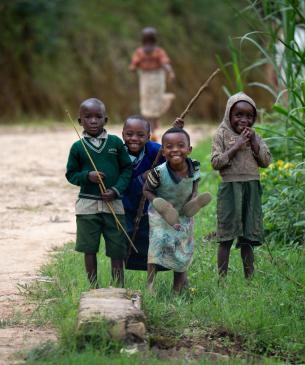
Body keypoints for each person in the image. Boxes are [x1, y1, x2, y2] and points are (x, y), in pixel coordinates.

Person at [66, 98, 132, 288]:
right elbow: (71, 174)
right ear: (80, 122)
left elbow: (127, 168)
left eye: (98, 117)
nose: (93, 121)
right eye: (88, 117)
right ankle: (93, 288)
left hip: (114, 204)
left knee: (117, 248)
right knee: (89, 248)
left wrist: (116, 189)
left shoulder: (115, 143)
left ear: (105, 119)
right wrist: (88, 176)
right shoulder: (78, 147)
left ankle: (118, 287)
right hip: (87, 206)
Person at [143, 128, 212, 293]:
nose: (175, 149)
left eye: (180, 145)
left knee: (183, 249)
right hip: (161, 214)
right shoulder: (158, 172)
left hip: (183, 212)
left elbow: (195, 182)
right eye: (169, 146)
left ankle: (178, 288)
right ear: (163, 151)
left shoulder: (194, 166)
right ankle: (150, 286)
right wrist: (158, 203)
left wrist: (195, 196)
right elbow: (146, 190)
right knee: (156, 246)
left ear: (189, 149)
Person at [211, 92, 271, 279]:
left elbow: (266, 161)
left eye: (249, 116)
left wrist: (253, 142)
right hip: (230, 189)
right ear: (229, 114)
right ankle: (222, 279)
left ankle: (250, 278)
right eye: (238, 115)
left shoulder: (256, 137)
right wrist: (235, 146)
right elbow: (215, 162)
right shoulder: (221, 134)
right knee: (226, 235)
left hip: (251, 188)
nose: (244, 120)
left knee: (248, 236)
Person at [122, 115, 166, 271]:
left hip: (148, 206)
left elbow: (173, 159)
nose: (134, 138)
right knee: (124, 242)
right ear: (123, 135)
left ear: (149, 136)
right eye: (129, 134)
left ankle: (153, 277)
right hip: (125, 204)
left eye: (141, 135)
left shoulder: (155, 150)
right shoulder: (118, 154)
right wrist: (141, 178)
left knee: (151, 242)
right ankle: (119, 277)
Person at [129, 27, 175, 140]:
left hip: (154, 78)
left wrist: (170, 72)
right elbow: (134, 65)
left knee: (152, 102)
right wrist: (170, 72)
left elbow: (133, 67)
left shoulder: (154, 51)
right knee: (150, 102)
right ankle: (152, 128)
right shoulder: (145, 52)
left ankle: (153, 128)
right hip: (148, 78)